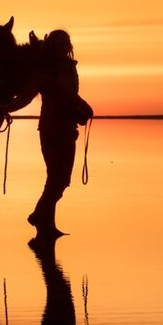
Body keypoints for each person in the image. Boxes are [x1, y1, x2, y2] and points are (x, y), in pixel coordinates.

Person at [28, 31, 93, 236]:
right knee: (56, 178)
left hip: (68, 130)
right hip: (51, 129)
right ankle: (40, 218)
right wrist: (6, 106)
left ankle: (45, 222)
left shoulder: (70, 68)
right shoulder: (46, 70)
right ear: (52, 46)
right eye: (59, 42)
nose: (64, 45)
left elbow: (72, 96)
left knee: (61, 180)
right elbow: (28, 95)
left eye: (66, 42)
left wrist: (85, 107)